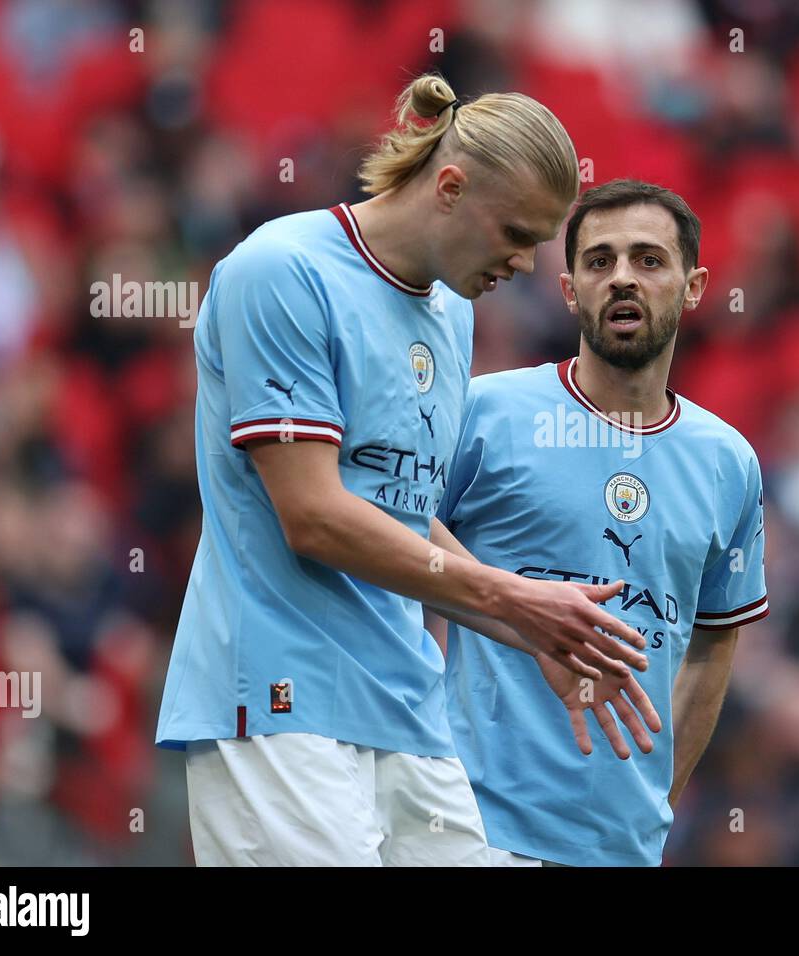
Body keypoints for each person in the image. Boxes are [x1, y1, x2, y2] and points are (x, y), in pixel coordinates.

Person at [155, 74, 652, 867]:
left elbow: (399, 505)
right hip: (281, 698)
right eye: (517, 233)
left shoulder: (452, 311)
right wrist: (510, 594)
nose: (526, 265)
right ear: (449, 187)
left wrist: (522, 628)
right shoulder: (282, 272)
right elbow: (314, 514)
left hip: (406, 704)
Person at [439, 179, 769, 866]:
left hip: (619, 849)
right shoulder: (485, 414)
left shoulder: (728, 462)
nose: (622, 278)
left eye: (649, 260)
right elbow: (394, 525)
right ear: (569, 291)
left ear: (694, 284)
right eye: (599, 261)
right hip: (471, 829)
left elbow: (713, 645)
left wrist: (653, 807)